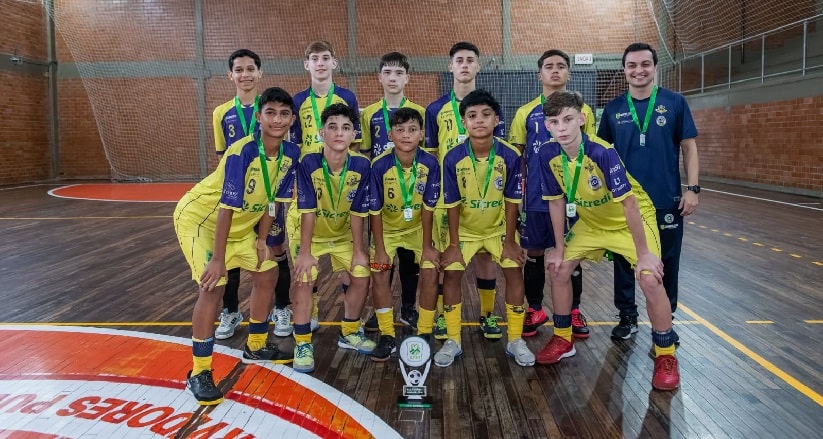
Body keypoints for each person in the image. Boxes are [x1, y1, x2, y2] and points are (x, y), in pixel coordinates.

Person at [535, 91, 680, 391]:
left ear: (582, 120)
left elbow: (629, 205)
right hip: (591, 222)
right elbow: (556, 202)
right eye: (554, 122)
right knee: (559, 269)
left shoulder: (602, 152)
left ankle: (666, 355)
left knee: (650, 277)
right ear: (547, 126)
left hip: (630, 221)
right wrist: (559, 248)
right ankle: (563, 339)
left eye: (568, 119)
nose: (561, 127)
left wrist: (643, 255)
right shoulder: (547, 154)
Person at [175, 87, 300, 404]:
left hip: (244, 227)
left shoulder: (291, 155)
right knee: (213, 286)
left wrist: (262, 240)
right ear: (258, 117)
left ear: (292, 119)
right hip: (202, 221)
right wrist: (218, 259)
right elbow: (226, 209)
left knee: (268, 272)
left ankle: (255, 345)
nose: (277, 119)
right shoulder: (241, 152)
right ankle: (199, 371)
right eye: (270, 112)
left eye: (284, 113)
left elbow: (273, 203)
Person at [597, 43, 699, 340]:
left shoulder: (675, 102)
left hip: (666, 201)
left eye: (644, 64)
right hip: (625, 203)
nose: (638, 70)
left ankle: (666, 320)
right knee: (624, 262)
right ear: (624, 70)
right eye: (632, 65)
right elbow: (602, 156)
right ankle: (627, 316)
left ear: (655, 67)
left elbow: (689, 148)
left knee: (668, 263)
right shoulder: (614, 109)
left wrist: (692, 189)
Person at [436, 89, 534, 368]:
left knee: (514, 270)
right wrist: (453, 245)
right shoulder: (452, 158)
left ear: (496, 120)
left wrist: (511, 241)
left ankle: (515, 339)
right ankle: (453, 339)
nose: (479, 120)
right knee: (452, 274)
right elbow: (452, 203)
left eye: (486, 115)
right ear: (464, 122)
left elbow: (513, 200)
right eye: (472, 116)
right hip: (464, 231)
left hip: (497, 228)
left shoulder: (512, 155)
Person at [508, 49, 598, 339]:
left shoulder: (584, 112)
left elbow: (591, 153)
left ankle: (572, 309)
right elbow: (518, 158)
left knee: (573, 252)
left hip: (573, 197)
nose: (555, 71)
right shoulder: (525, 113)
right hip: (536, 197)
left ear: (569, 73)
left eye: (561, 66)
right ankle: (535, 308)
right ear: (540, 74)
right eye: (549, 66)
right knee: (533, 253)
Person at [425, 42, 506, 341]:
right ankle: (446, 317)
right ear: (451, 67)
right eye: (459, 60)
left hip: (486, 194)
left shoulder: (488, 106)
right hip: (450, 197)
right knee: (449, 257)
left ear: (478, 66)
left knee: (486, 255)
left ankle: (487, 314)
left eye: (470, 60)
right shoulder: (435, 109)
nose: (464, 65)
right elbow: (432, 156)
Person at [211, 49, 293, 340]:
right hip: (237, 200)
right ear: (230, 75)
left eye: (250, 69)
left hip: (268, 197)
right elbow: (222, 158)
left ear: (260, 73)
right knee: (230, 255)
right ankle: (231, 310)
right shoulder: (221, 113)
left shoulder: (275, 108)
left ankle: (282, 307)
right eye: (239, 69)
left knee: (275, 249)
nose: (245, 74)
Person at [291, 103, 374, 373]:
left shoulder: (362, 165)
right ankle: (302, 342)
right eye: (333, 127)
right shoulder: (308, 162)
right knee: (304, 277)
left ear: (354, 136)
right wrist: (305, 252)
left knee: (361, 271)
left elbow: (359, 212)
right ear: (321, 133)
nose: (339, 133)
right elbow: (307, 210)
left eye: (346, 127)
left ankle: (349, 331)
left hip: (342, 233)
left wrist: (360, 249)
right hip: (310, 232)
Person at [286, 40, 362, 335]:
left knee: (349, 267)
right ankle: (311, 311)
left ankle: (350, 320)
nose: (320, 62)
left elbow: (354, 140)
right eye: (314, 58)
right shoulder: (297, 101)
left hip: (340, 187)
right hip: (309, 183)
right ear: (306, 64)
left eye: (325, 57)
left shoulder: (346, 96)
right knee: (307, 264)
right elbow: (292, 143)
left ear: (334, 63)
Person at [360, 52, 428, 332]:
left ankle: (409, 307)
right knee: (382, 259)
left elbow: (426, 154)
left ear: (407, 78)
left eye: (398, 73)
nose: (392, 78)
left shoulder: (421, 113)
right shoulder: (368, 114)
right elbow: (364, 153)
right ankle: (381, 309)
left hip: (412, 197)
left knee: (410, 261)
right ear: (380, 77)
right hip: (381, 199)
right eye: (387, 72)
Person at [368, 108, 440, 361]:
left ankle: (424, 332)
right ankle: (387, 335)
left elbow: (430, 207)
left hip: (419, 227)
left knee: (430, 268)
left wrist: (429, 245)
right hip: (387, 229)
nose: (406, 135)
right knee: (379, 271)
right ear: (390, 134)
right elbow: (374, 211)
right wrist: (379, 248)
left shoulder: (431, 163)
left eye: (412, 130)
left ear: (422, 134)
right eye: (400, 130)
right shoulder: (378, 166)